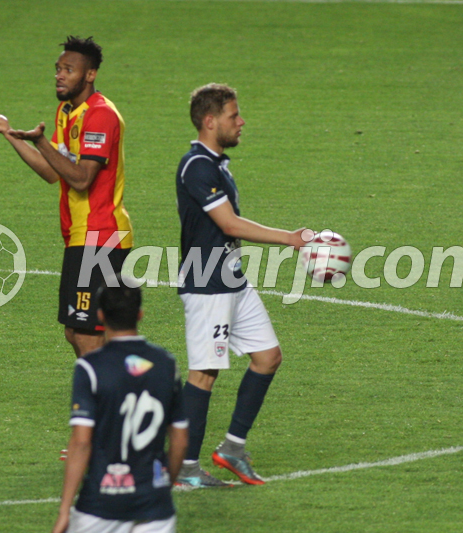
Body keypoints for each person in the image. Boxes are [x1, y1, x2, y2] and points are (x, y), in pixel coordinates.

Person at [0, 36, 133, 358]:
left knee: (85, 335)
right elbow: (52, 172)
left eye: (69, 69)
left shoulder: (100, 115)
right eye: (58, 68)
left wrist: (41, 142)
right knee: (79, 332)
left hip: (101, 235)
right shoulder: (67, 111)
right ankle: (126, 392)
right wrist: (11, 135)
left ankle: (105, 403)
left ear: (90, 75)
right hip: (82, 236)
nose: (59, 75)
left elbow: (81, 179)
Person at [174, 83, 307, 487]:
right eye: (234, 115)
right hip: (207, 285)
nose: (241, 121)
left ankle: (232, 449)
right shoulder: (196, 166)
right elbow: (229, 224)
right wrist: (290, 238)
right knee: (204, 374)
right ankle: (185, 469)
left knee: (268, 357)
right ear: (211, 121)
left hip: (232, 279)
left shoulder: (217, 164)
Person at [53, 274, 188, 533]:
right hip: (154, 507)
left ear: (100, 316)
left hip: (99, 504)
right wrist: (161, 487)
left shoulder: (90, 367)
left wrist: (64, 510)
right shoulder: (166, 364)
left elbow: (81, 443)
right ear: (140, 314)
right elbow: (180, 440)